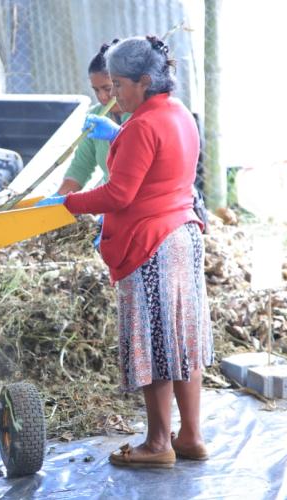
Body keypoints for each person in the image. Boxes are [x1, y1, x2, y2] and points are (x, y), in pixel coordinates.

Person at [37, 35, 213, 468]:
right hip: (183, 236)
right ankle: (191, 436)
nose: (113, 95)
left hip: (151, 244)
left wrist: (67, 204)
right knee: (182, 339)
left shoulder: (142, 125)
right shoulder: (180, 114)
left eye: (117, 84)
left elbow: (118, 194)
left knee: (156, 343)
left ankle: (158, 443)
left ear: (144, 81)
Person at [56, 40, 129, 196]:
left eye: (107, 88)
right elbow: (80, 168)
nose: (102, 97)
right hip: (111, 200)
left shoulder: (143, 114)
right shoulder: (96, 117)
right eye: (96, 90)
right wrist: (57, 200)